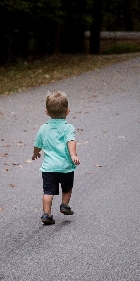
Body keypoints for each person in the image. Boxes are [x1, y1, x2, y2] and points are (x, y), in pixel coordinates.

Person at [31, 90, 80, 225]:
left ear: (47, 112)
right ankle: (64, 205)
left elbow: (37, 144)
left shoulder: (43, 128)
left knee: (48, 192)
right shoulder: (68, 127)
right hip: (65, 167)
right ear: (67, 112)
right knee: (67, 188)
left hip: (49, 168)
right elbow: (71, 141)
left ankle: (46, 214)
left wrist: (36, 153)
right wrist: (73, 155)